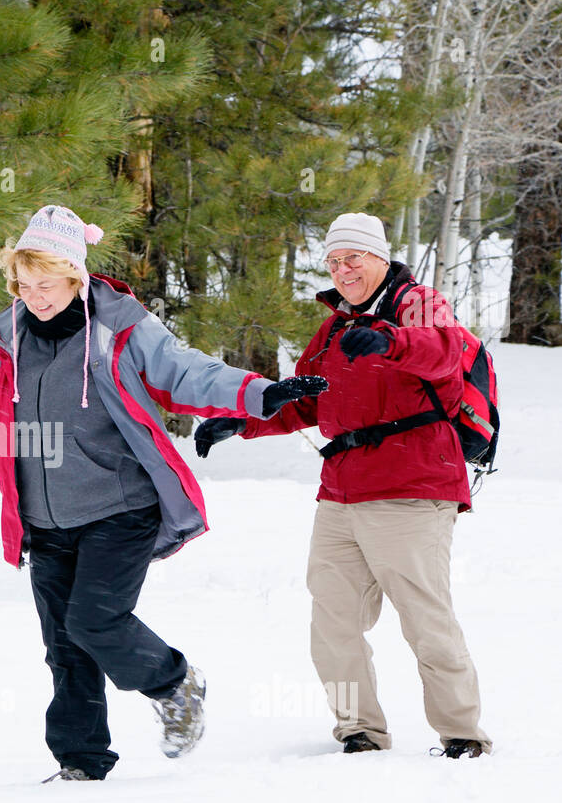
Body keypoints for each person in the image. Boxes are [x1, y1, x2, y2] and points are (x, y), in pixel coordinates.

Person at [0, 204, 327, 781]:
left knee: (95, 621)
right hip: (46, 519)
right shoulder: (6, 340)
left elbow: (185, 372)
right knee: (64, 647)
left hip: (120, 508)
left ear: (75, 277)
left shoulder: (120, 328)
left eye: (48, 283)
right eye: (24, 284)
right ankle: (82, 762)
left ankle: (174, 681)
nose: (36, 296)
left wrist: (260, 392)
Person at [196, 212, 491, 759]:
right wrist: (241, 421)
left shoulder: (417, 303)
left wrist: (388, 342)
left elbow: (446, 353)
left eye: (353, 257)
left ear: (380, 256)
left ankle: (462, 734)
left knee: (425, 618)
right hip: (340, 492)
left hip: (412, 484)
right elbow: (305, 399)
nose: (344, 269)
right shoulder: (335, 325)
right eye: (333, 260)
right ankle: (360, 731)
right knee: (333, 622)